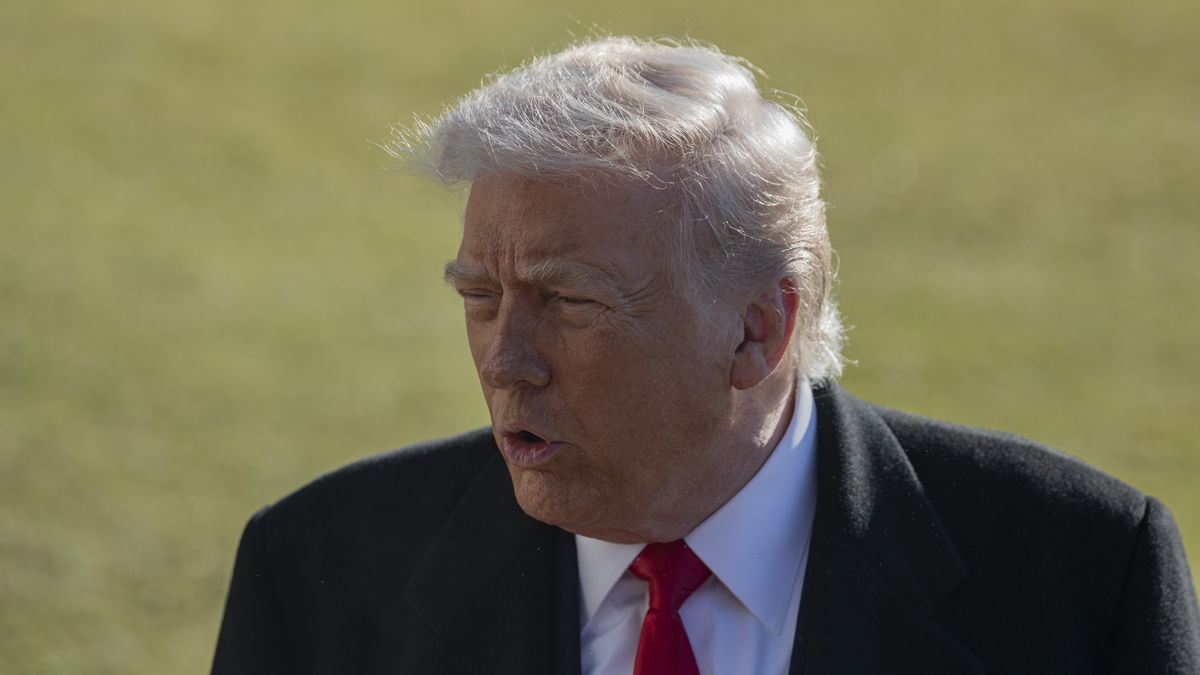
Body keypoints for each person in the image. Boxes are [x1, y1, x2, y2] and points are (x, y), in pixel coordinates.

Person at [211, 37, 1199, 674]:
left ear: (758, 328)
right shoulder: (318, 574)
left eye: (568, 301)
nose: (507, 360)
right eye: (480, 296)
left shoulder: (1080, 579)